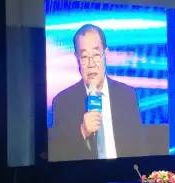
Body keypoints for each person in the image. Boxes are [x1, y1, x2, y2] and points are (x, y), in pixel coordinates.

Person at [49, 24, 145, 161]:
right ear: (77, 58)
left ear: (105, 54)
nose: (91, 64)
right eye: (84, 56)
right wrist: (83, 131)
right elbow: (59, 156)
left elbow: (139, 149)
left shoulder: (127, 96)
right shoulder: (63, 102)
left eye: (96, 55)